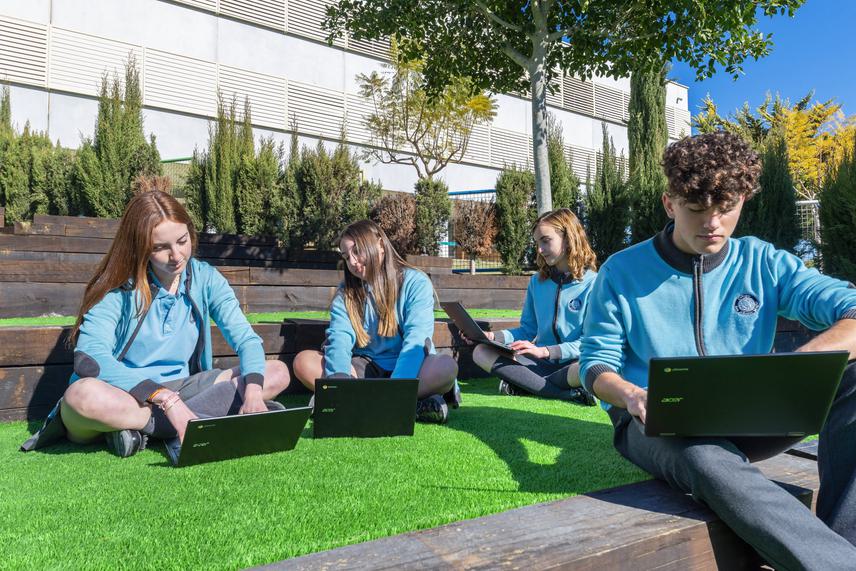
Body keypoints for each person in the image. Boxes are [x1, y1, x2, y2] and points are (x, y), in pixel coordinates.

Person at [579, 131, 856, 569]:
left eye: (727, 210)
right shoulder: (621, 271)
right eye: (696, 210)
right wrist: (631, 395)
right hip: (658, 423)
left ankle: (845, 542)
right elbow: (594, 364)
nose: (713, 224)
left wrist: (797, 368)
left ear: (742, 199)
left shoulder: (764, 261)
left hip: (752, 411)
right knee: (703, 455)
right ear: (670, 204)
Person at [22, 190, 291, 457]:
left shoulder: (205, 278)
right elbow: (89, 360)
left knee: (276, 372)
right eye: (161, 248)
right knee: (80, 397)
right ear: (140, 248)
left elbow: (246, 338)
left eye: (182, 241)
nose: (177, 255)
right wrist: (165, 399)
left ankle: (140, 430)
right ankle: (182, 423)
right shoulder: (117, 287)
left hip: (184, 388)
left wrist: (254, 392)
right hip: (123, 392)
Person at [293, 219, 459, 424]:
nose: (352, 262)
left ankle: (370, 403)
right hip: (365, 368)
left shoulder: (416, 282)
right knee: (303, 362)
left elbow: (416, 340)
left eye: (357, 251)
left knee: (446, 367)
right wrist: (340, 382)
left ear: (380, 244)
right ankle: (412, 407)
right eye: (346, 257)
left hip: (412, 368)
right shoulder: (346, 292)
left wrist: (395, 389)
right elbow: (340, 339)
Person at [470, 208, 597, 405]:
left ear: (569, 238)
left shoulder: (594, 284)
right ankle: (563, 393)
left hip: (572, 366)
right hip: (539, 363)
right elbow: (527, 330)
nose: (540, 249)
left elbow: (590, 342)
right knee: (481, 352)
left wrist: (546, 351)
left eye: (546, 241)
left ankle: (525, 384)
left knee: (591, 366)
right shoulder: (537, 282)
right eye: (537, 243)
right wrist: (494, 337)